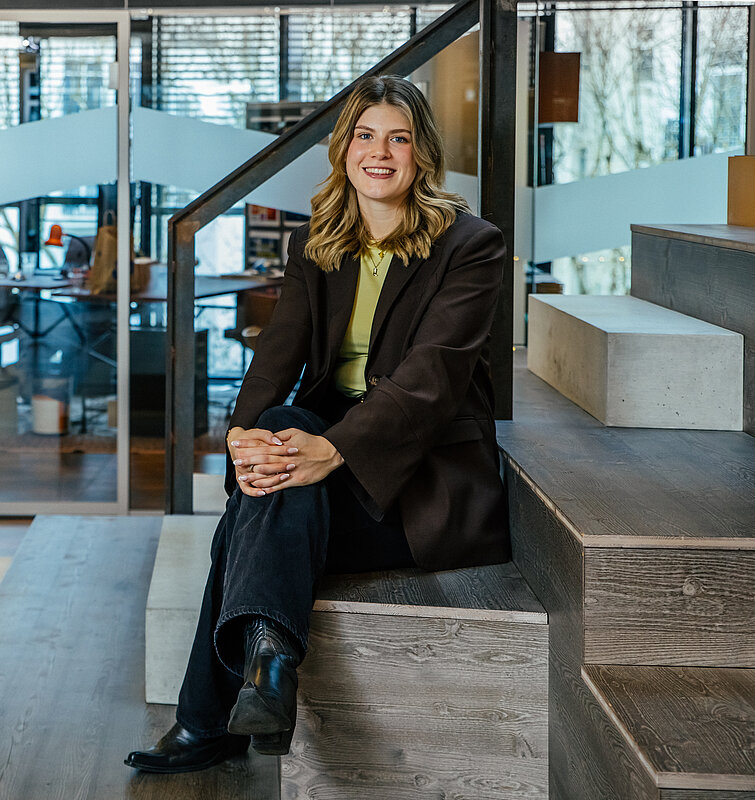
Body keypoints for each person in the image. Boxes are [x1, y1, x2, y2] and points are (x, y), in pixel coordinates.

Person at [124, 74, 510, 774]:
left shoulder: (469, 245)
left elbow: (430, 381)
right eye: (364, 136)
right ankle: (266, 666)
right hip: (326, 456)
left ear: (421, 153)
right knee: (275, 430)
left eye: (397, 138)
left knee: (255, 509)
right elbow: (277, 355)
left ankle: (219, 711)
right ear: (343, 151)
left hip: (419, 480)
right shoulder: (317, 242)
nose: (379, 153)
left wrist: (330, 450)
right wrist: (245, 439)